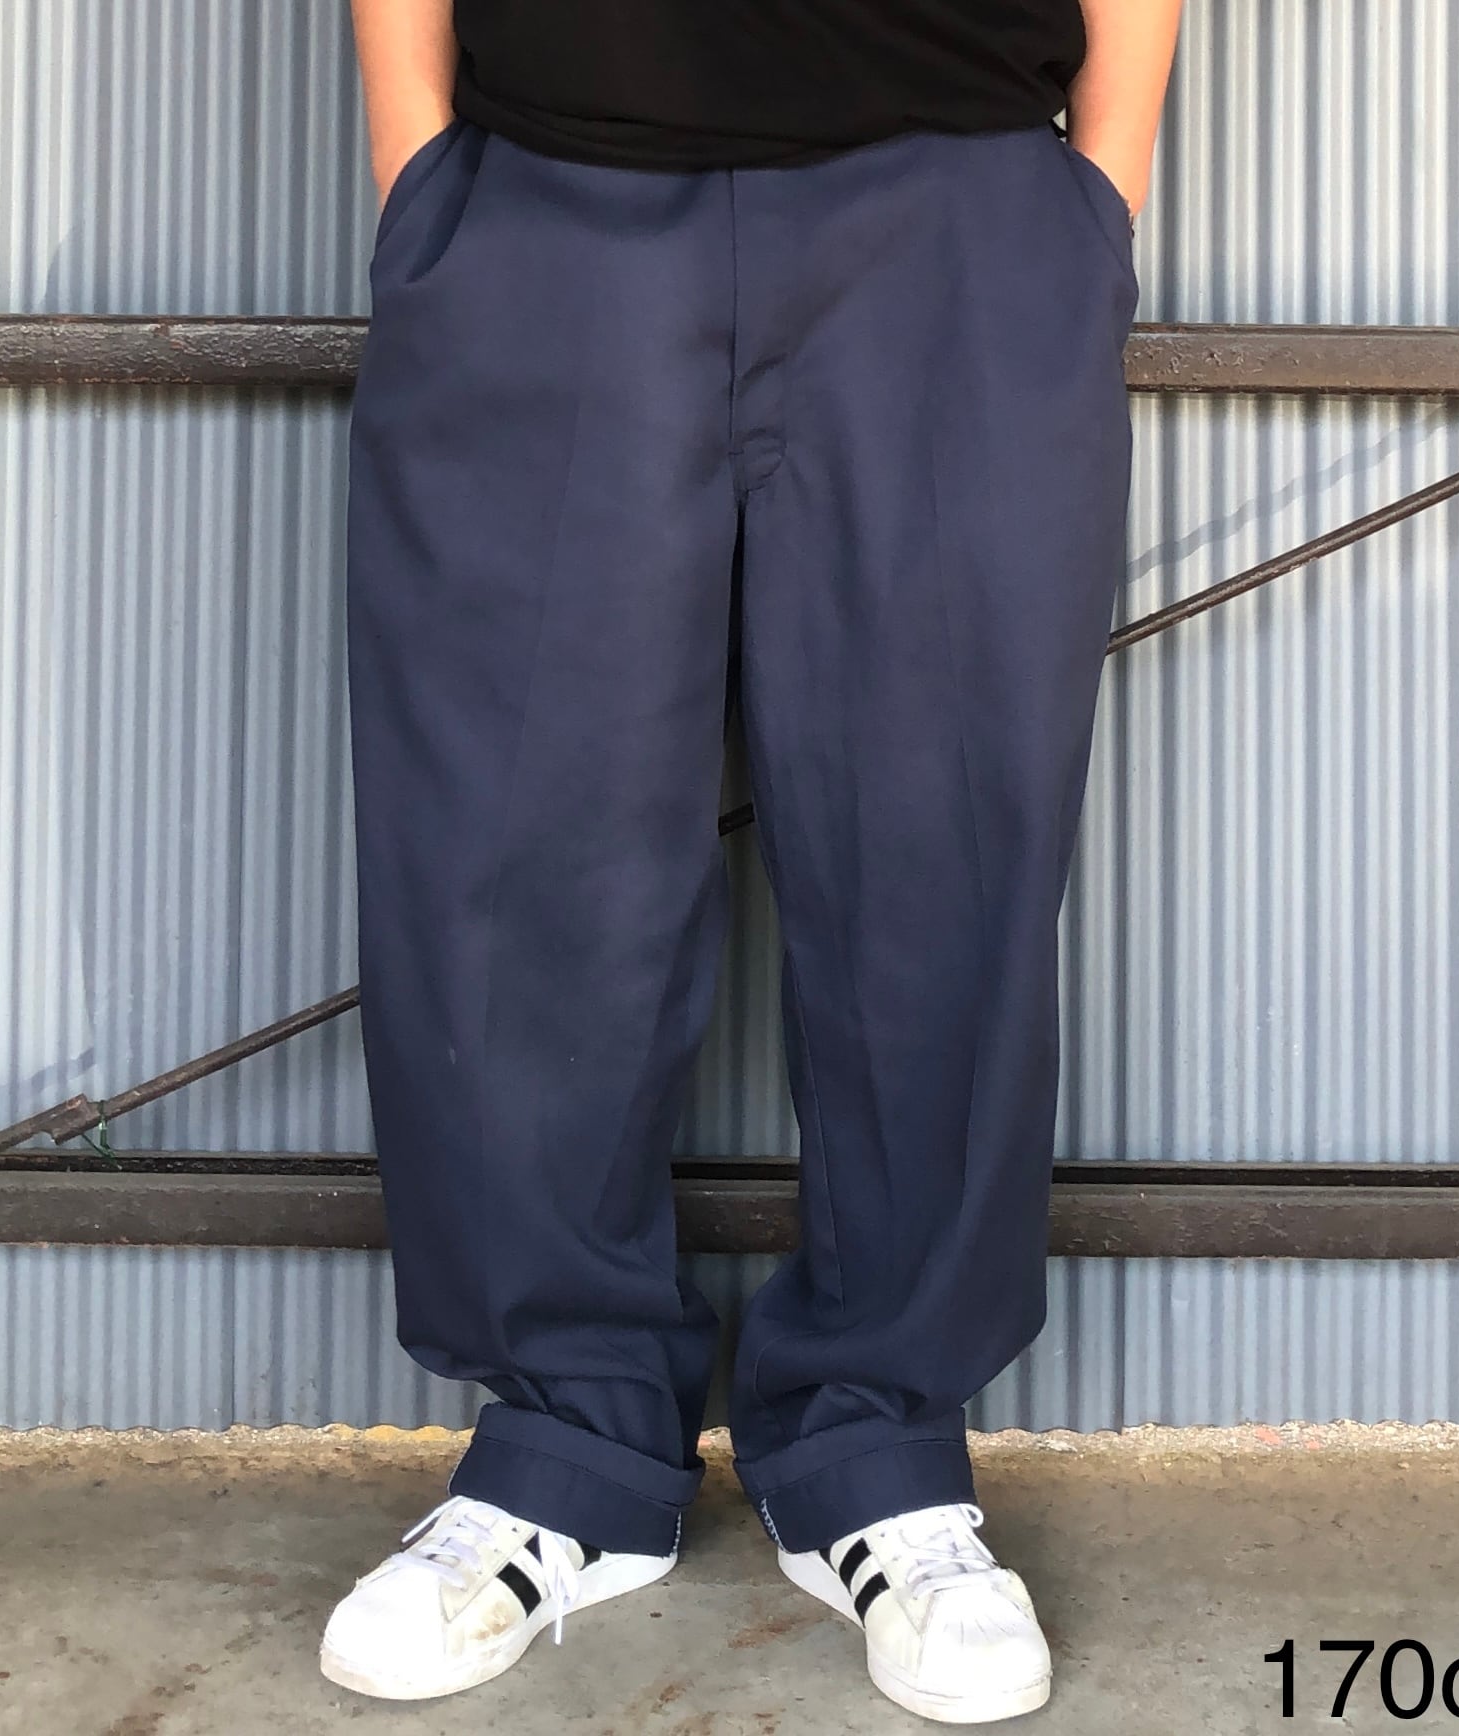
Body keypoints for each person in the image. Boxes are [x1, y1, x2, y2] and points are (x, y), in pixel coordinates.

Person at [323, 0, 1181, 1720]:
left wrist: (1097, 191)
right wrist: (421, 178)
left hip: (957, 199)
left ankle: (884, 1447)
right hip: (550, 189)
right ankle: (562, 1444)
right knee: (515, 843)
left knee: (940, 841)